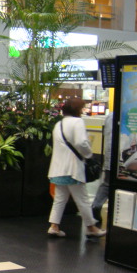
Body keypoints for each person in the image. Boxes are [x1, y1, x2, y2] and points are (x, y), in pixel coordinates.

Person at [47, 98, 106, 238]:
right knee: (82, 199)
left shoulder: (59, 124)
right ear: (77, 109)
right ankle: (91, 227)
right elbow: (81, 143)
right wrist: (89, 155)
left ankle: (54, 226)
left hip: (58, 169)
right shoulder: (78, 122)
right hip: (72, 169)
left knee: (60, 199)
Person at [91, 113, 113, 223]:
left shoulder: (110, 116)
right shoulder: (126, 116)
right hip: (121, 159)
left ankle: (96, 204)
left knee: (107, 183)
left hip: (109, 157)